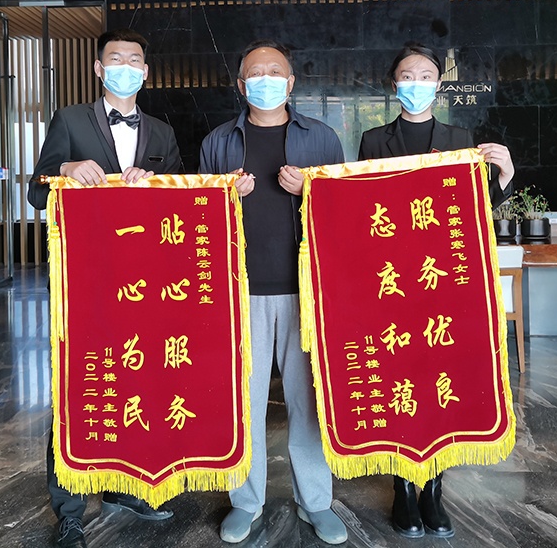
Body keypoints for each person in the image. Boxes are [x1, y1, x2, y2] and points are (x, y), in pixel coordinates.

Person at [28, 28, 182, 548]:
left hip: (142, 284)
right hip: (84, 282)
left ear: (146, 71)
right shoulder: (71, 120)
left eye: (134, 60)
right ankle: (69, 508)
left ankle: (123, 487)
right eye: (115, 58)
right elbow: (36, 192)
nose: (124, 67)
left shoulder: (162, 133)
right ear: (98, 68)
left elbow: (180, 202)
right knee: (78, 386)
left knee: (135, 380)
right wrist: (65, 168)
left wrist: (155, 185)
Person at [358, 42, 515, 540]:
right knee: (399, 380)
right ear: (394, 84)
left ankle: (434, 489)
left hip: (440, 282)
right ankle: (404, 488)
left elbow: (470, 209)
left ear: (438, 84)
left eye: (426, 75)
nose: (416, 83)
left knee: (439, 381)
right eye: (407, 75)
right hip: (390, 283)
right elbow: (359, 205)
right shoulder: (373, 140)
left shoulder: (459, 139)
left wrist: (504, 176)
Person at [199, 40, 348, 545]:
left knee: (310, 402)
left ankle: (316, 502)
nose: (265, 79)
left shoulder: (321, 137)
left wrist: (313, 191)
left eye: (275, 71)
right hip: (240, 292)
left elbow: (346, 211)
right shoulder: (219, 141)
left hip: (306, 291)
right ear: (242, 85)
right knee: (243, 402)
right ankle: (246, 501)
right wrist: (223, 197)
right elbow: (195, 220)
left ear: (291, 82)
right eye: (255, 73)